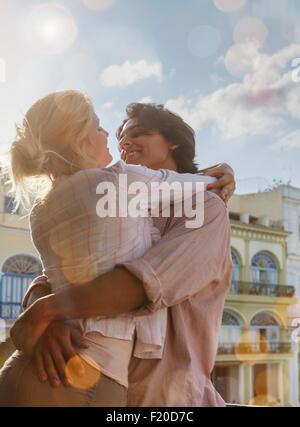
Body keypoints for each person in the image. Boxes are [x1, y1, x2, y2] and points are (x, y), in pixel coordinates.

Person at [2, 102, 234, 407]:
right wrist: (50, 318)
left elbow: (142, 285)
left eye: (138, 133)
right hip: (78, 381)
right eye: (118, 135)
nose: (122, 141)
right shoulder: (111, 203)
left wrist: (49, 312)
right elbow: (59, 273)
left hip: (161, 399)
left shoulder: (205, 208)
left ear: (173, 141)